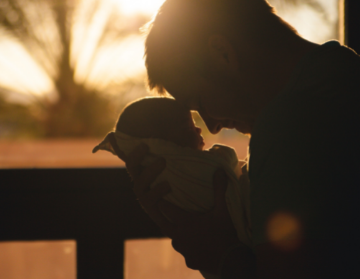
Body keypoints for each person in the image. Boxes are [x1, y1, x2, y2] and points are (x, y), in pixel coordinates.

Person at [110, 0, 360, 278]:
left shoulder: (288, 125)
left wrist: (215, 253)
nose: (212, 126)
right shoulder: (348, 76)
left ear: (222, 53)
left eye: (200, 102)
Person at [93, 97, 252, 279]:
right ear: (163, 147)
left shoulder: (163, 178)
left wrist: (228, 257)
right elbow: (227, 168)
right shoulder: (184, 171)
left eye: (203, 101)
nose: (204, 127)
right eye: (187, 127)